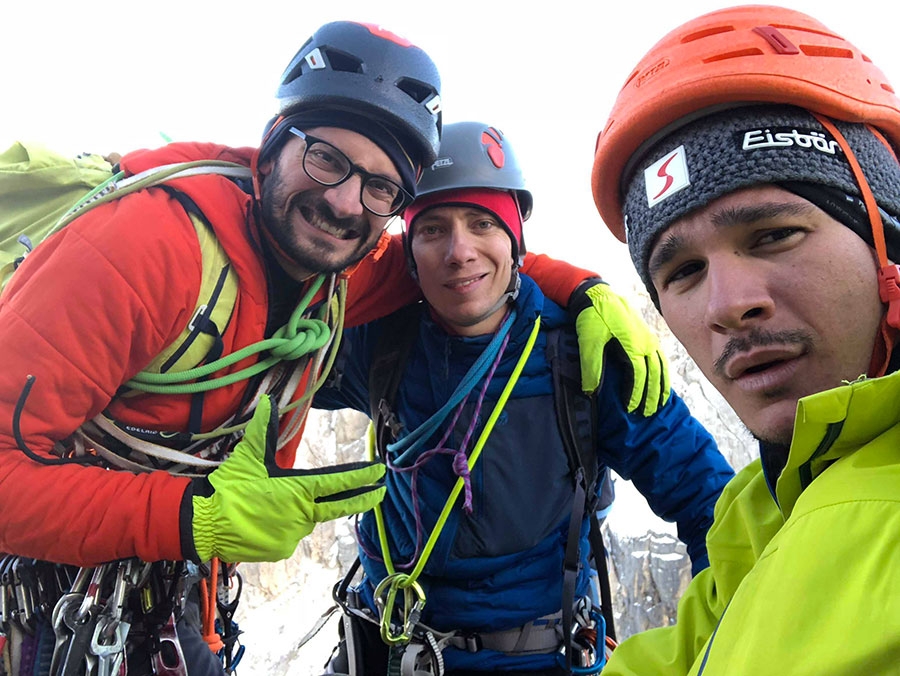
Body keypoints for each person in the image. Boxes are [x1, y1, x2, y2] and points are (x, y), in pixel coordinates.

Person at [0, 22, 671, 676]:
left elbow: (457, 268)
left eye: (381, 187)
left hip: (171, 601)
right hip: (45, 602)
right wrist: (190, 516)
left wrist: (583, 290)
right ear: (273, 146)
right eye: (326, 159)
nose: (345, 201)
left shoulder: (344, 267)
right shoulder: (142, 250)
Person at [313, 121, 734, 676]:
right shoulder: (382, 340)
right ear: (408, 251)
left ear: (514, 239)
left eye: (482, 223)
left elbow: (713, 507)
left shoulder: (584, 354)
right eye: (433, 229)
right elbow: (264, 353)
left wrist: (723, 649)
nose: (459, 251)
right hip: (385, 644)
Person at [589, 5, 900, 674]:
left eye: (773, 235)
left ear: (889, 239)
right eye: (683, 272)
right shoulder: (760, 509)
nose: (729, 306)